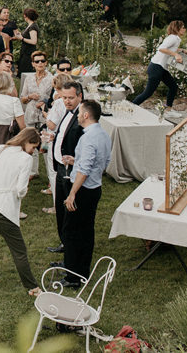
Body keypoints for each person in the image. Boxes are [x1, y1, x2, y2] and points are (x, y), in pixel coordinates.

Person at [0, 127, 43, 296]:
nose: (33, 151)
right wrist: (21, 192)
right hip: (2, 207)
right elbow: (21, 189)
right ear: (26, 141)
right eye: (33, 147)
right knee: (19, 250)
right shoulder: (25, 159)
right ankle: (32, 287)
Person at [61, 100, 112, 286]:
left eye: (79, 112)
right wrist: (76, 160)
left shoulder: (88, 138)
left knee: (72, 232)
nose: (77, 116)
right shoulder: (104, 135)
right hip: (95, 188)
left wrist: (72, 194)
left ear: (86, 115)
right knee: (86, 231)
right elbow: (103, 161)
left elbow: (85, 169)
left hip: (82, 190)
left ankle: (72, 276)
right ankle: (82, 271)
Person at [45, 81, 84, 255]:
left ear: (80, 97)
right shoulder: (67, 112)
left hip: (71, 169)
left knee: (70, 211)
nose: (67, 101)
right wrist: (55, 138)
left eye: (71, 98)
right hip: (60, 166)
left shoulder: (82, 117)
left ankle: (71, 246)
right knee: (60, 208)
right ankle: (64, 242)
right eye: (64, 98)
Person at [131, 20, 187, 113]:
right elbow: (161, 48)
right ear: (177, 28)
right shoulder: (173, 38)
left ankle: (168, 110)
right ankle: (129, 108)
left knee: (173, 86)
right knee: (148, 93)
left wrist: (182, 50)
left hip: (161, 68)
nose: (185, 29)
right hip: (156, 67)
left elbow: (171, 48)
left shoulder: (175, 38)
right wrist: (176, 54)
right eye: (183, 27)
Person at [41, 72, 73, 213]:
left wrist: (46, 116)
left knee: (54, 173)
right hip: (68, 140)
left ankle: (57, 205)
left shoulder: (59, 103)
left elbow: (52, 125)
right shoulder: (74, 102)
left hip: (55, 139)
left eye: (56, 89)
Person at [12, 9, 40, 76]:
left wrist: (22, 38)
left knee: (26, 72)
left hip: (29, 53)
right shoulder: (30, 25)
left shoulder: (33, 27)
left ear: (26, 16)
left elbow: (34, 41)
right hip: (25, 51)